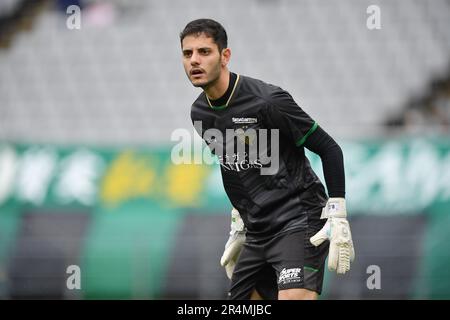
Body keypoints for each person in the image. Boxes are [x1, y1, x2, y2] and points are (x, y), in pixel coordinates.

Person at [180, 18, 355, 300]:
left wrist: (338, 214)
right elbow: (236, 167)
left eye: (204, 51)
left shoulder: (268, 101)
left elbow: (329, 148)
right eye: (188, 54)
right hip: (257, 231)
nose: (194, 61)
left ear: (225, 56)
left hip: (299, 220)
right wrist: (240, 221)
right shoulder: (199, 112)